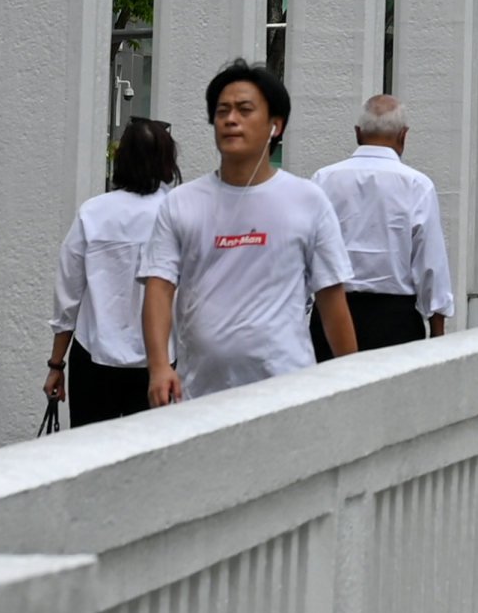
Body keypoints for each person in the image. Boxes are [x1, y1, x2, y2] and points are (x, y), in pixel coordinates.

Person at [141, 61, 355, 402]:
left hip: (286, 392)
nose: (230, 119)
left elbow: (332, 298)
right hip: (199, 394)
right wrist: (158, 367)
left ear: (275, 125)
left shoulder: (308, 200)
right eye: (222, 110)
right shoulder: (181, 203)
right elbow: (159, 287)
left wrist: (351, 380)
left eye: (244, 110)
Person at [44, 119, 177, 427]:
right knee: (150, 459)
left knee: (90, 458)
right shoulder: (176, 213)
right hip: (159, 361)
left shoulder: (93, 213)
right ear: (166, 160)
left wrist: (55, 364)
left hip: (94, 356)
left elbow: (68, 295)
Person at [312, 95, 454, 351]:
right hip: (395, 321)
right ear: (403, 135)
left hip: (330, 315)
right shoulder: (417, 185)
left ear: (358, 133)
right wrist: (437, 334)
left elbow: (307, 254)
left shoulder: (324, 179)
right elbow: (431, 264)